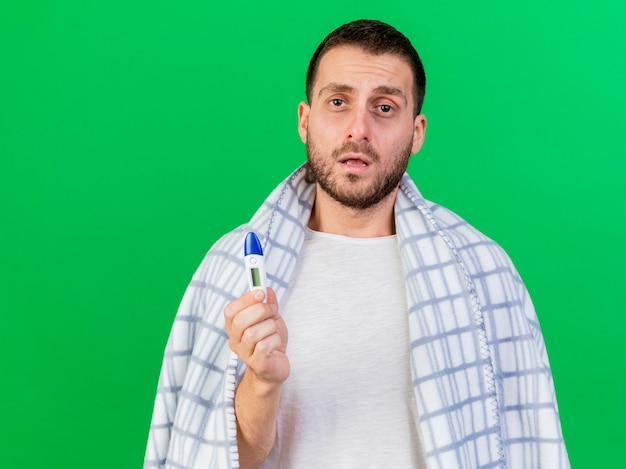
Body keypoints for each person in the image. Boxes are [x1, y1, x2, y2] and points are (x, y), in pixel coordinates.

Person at [144, 19, 569, 469]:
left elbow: (528, 447)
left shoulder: (482, 271)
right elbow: (215, 458)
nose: (358, 129)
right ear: (305, 121)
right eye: (338, 102)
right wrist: (262, 385)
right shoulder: (232, 267)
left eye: (384, 107)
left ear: (417, 132)